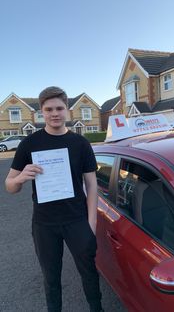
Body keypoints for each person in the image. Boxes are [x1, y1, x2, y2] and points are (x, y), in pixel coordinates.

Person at [5, 86, 103, 312]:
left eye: (59, 108)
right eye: (49, 109)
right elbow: (10, 186)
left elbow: (91, 184)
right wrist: (20, 177)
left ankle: (97, 308)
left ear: (67, 110)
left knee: (88, 271)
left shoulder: (80, 143)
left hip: (77, 220)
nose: (54, 113)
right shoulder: (29, 144)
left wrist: (92, 223)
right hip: (45, 224)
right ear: (41, 111)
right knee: (51, 277)